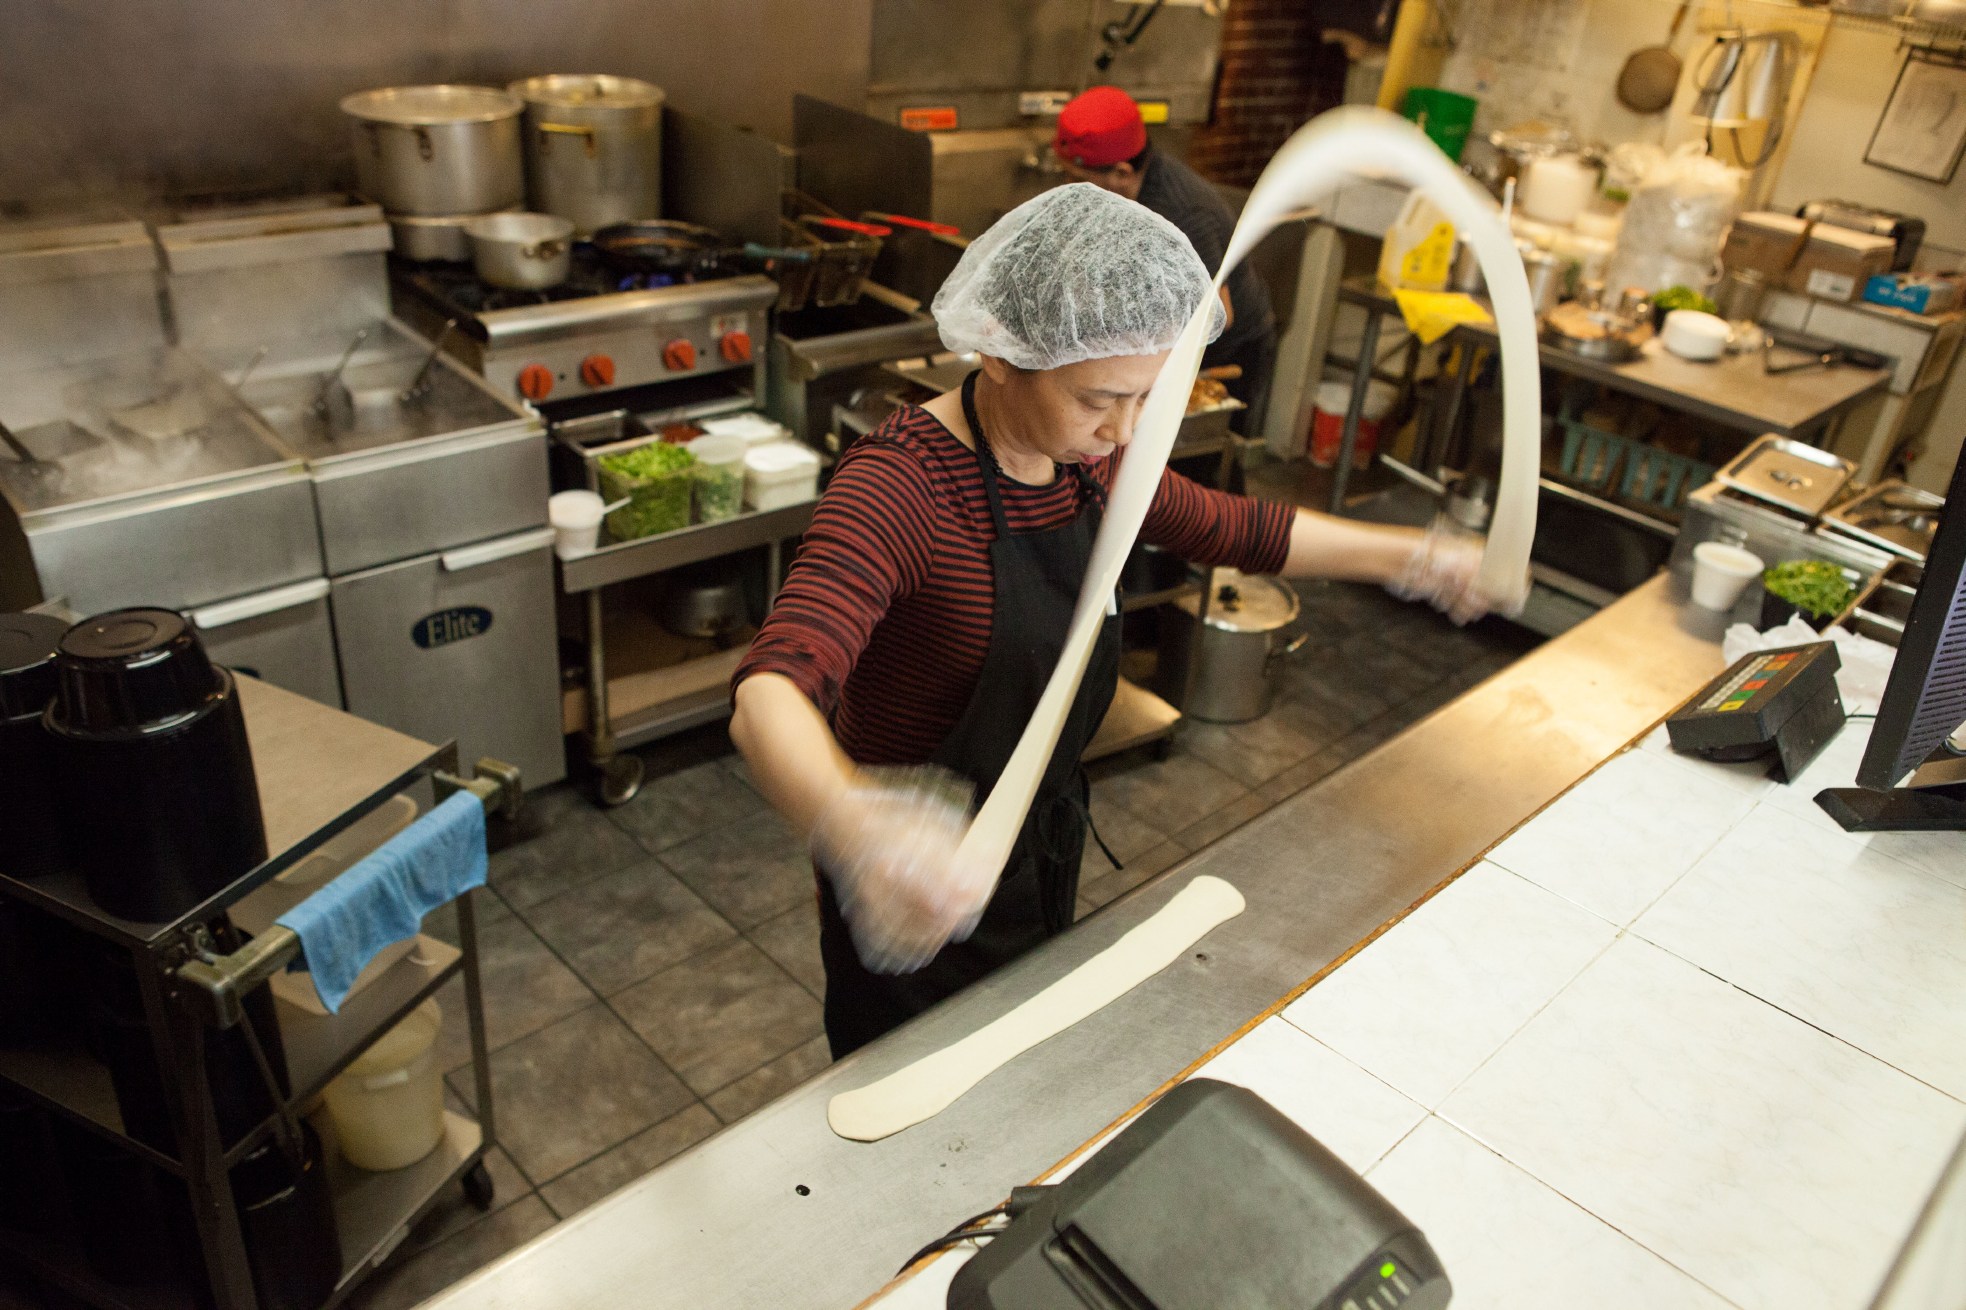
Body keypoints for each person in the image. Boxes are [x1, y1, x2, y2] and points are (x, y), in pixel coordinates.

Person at [731, 185, 1504, 1059]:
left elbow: (1234, 527)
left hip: (1034, 847)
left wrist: (1413, 559)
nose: (1123, 428)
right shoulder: (900, 489)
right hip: (912, 874)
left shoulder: (1090, 465)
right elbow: (770, 694)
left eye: (1148, 397)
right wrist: (859, 829)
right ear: (1000, 354)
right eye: (1100, 397)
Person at [1054, 85, 1278, 437]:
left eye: (1078, 179)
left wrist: (1141, 372)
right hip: (1171, 346)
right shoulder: (1127, 193)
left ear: (1123, 173)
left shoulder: (1183, 213)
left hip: (1226, 353)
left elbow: (1215, 315)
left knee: (1196, 465)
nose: (1070, 188)